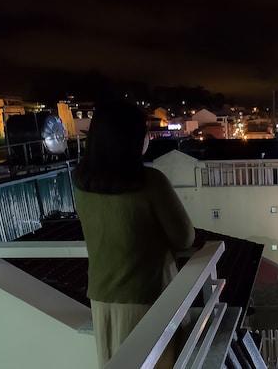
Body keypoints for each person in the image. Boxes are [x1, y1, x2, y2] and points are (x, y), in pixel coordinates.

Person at [74, 100, 194, 368]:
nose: (149, 137)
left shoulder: (82, 182)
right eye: (145, 132)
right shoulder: (150, 182)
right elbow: (185, 237)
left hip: (102, 298)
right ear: (131, 139)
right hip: (147, 297)